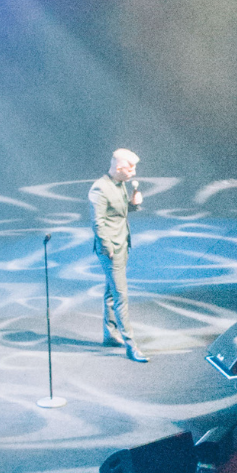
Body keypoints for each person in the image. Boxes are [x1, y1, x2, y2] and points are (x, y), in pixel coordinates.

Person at [90, 148, 148, 362]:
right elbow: (98, 223)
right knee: (121, 296)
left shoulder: (121, 184)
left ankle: (110, 334)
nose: (134, 171)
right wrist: (108, 248)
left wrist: (134, 203)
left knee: (110, 292)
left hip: (122, 244)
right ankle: (131, 346)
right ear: (119, 167)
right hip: (111, 250)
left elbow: (118, 212)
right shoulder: (99, 189)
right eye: (130, 167)